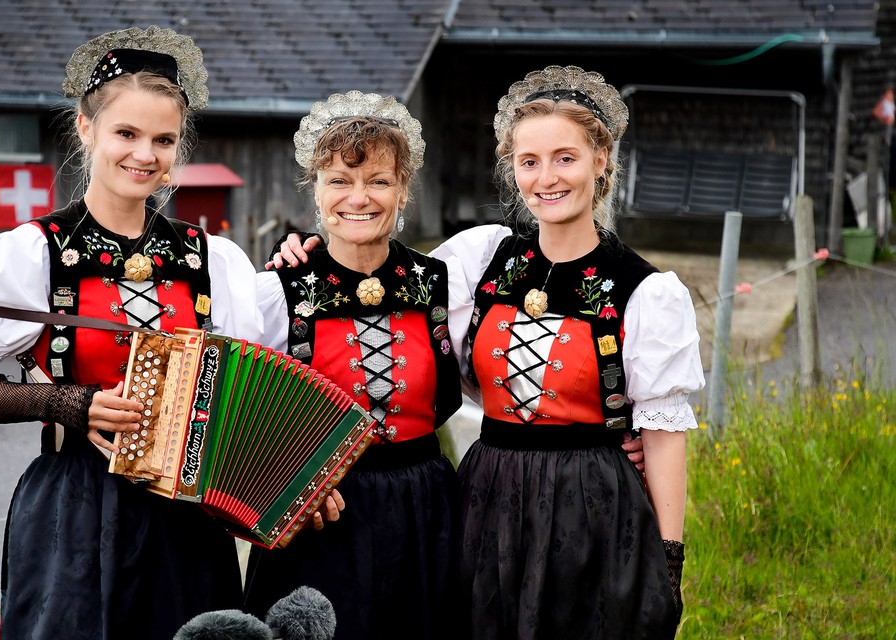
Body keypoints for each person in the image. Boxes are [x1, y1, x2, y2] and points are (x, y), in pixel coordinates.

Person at [271, 66, 697, 639]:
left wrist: (668, 558)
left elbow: (665, 434)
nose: (547, 177)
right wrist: (304, 250)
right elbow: (380, 269)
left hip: (591, 503)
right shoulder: (481, 260)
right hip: (487, 496)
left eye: (565, 158)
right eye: (529, 161)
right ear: (512, 169)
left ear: (602, 160)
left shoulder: (645, 289)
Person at [0, 26, 299, 639]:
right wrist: (62, 403)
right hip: (74, 509)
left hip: (187, 518)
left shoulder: (215, 260)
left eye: (163, 140)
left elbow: (243, 396)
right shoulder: (33, 254)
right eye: (126, 133)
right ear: (85, 128)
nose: (144, 155)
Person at [242, 91, 465, 640]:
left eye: (379, 181)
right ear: (315, 190)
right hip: (318, 515)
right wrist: (283, 483)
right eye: (340, 180)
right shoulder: (275, 293)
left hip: (424, 511)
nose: (358, 198)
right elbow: (235, 414)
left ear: (403, 190)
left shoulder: (441, 283)